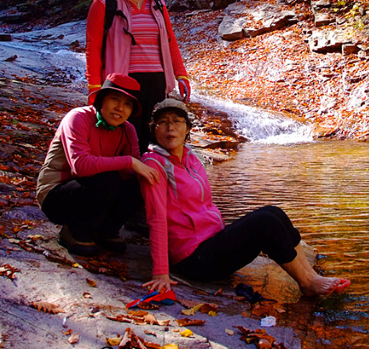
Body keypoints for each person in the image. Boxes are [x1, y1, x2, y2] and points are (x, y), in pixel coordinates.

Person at [137, 98, 350, 297]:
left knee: (274, 212)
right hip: (194, 258)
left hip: (212, 240)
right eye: (162, 122)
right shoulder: (154, 165)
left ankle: (311, 276)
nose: (170, 127)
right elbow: (156, 218)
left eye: (176, 121)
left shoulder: (191, 158)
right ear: (154, 130)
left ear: (188, 129)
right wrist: (160, 273)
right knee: (265, 223)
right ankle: (306, 282)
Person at [85, 0, 191, 154]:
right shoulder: (103, 2)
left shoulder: (158, 2)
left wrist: (182, 75)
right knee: (123, 138)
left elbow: (170, 42)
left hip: (157, 81)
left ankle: (153, 182)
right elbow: (93, 48)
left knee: (154, 141)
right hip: (122, 83)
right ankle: (124, 181)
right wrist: (94, 89)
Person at [36, 73, 162, 257]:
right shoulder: (77, 118)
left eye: (128, 104)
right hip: (57, 194)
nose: (120, 108)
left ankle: (106, 230)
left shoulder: (127, 129)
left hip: (94, 190)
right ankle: (73, 231)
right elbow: (80, 165)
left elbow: (133, 171)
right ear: (101, 100)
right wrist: (129, 162)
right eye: (115, 99)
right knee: (108, 178)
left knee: (138, 183)